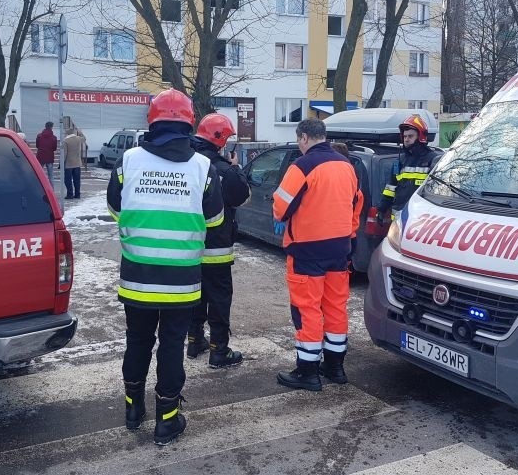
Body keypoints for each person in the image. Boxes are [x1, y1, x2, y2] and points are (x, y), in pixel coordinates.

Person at [107, 88, 224, 446]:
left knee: (137, 341)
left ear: (152, 122)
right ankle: (167, 420)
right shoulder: (203, 167)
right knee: (171, 345)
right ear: (189, 123)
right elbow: (215, 218)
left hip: (137, 276)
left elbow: (115, 208)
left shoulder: (128, 161)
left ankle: (132, 409)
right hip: (181, 280)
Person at [272, 118, 360, 391]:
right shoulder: (346, 166)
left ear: (303, 138)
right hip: (340, 247)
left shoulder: (302, 166)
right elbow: (355, 202)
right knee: (335, 307)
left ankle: (307, 371)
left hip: (307, 249)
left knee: (307, 309)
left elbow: (280, 208)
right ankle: (335, 367)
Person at [186, 113, 251, 368]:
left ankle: (194, 341)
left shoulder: (186, 165)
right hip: (217, 248)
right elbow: (242, 196)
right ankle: (219, 350)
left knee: (195, 295)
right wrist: (235, 167)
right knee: (220, 298)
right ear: (221, 139)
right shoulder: (223, 170)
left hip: (189, 246)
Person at [376, 114, 435, 224]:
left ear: (420, 137)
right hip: (398, 220)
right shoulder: (400, 160)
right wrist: (381, 209)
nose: (406, 139)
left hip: (421, 219)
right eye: (405, 136)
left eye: (410, 136)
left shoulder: (433, 159)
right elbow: (390, 188)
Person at [62, 129, 85, 199]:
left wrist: (62, 162)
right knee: (77, 180)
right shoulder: (78, 139)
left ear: (67, 134)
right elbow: (84, 138)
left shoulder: (65, 141)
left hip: (69, 164)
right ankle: (77, 194)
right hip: (77, 163)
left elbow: (64, 154)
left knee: (67, 180)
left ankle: (70, 194)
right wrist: (80, 132)